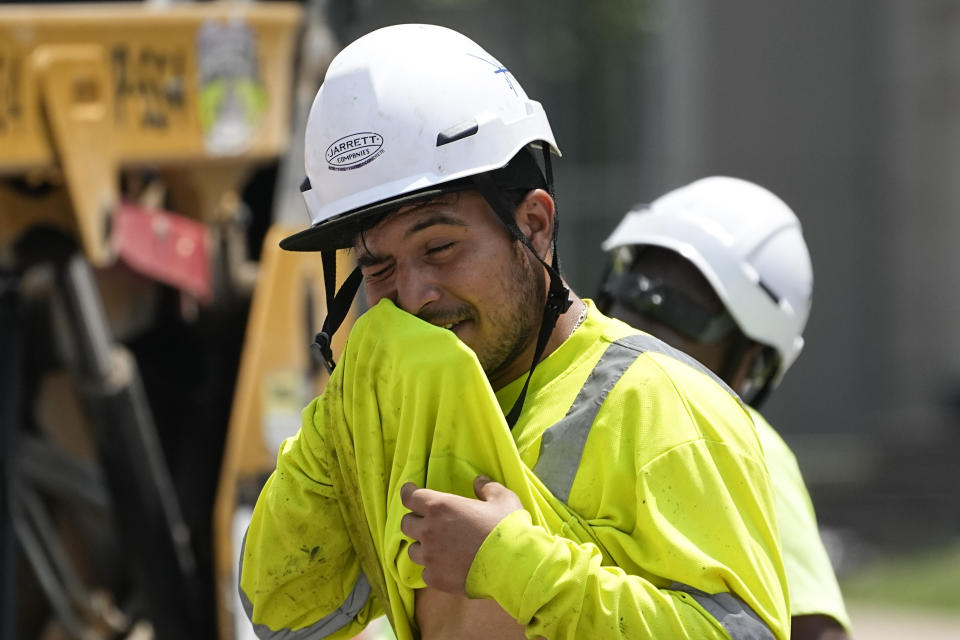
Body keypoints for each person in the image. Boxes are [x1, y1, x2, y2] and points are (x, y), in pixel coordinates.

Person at [239, 25, 789, 640]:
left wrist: (513, 565)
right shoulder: (406, 409)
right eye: (378, 267)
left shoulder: (666, 408)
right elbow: (287, 612)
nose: (414, 295)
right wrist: (339, 415)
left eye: (440, 247)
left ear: (533, 225)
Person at [597, 176, 852, 640]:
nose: (637, 333)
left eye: (679, 316)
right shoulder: (575, 409)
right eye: (633, 298)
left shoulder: (747, 450)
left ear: (748, 360)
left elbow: (814, 631)